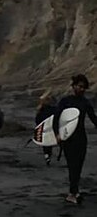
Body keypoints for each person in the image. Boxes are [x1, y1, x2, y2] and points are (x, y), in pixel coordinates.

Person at [53, 74, 97, 204]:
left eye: (84, 87)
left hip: (81, 138)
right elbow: (56, 118)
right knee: (72, 166)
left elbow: (94, 119)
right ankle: (72, 193)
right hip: (68, 138)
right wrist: (57, 134)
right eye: (79, 86)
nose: (82, 89)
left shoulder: (85, 103)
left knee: (78, 166)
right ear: (73, 86)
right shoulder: (65, 101)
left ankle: (74, 191)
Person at [35, 91, 58, 165]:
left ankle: (47, 156)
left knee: (46, 144)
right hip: (49, 128)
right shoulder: (53, 109)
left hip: (45, 128)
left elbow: (37, 120)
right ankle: (48, 156)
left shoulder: (41, 110)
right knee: (49, 144)